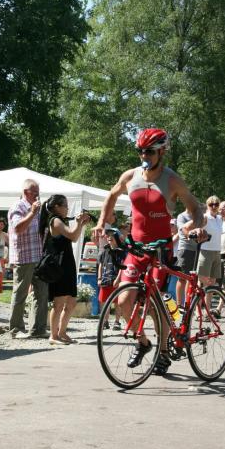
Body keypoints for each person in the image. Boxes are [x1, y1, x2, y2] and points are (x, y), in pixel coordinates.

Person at [92, 128, 206, 376]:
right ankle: (143, 342)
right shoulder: (130, 176)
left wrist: (194, 226)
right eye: (141, 151)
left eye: (150, 151)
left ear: (162, 152)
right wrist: (101, 222)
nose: (144, 155)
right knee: (123, 301)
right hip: (136, 248)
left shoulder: (172, 180)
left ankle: (163, 352)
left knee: (157, 304)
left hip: (160, 249)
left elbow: (196, 208)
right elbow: (112, 195)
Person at [41, 194, 92, 345]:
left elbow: (74, 237)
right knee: (58, 303)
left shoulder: (62, 220)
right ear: (57, 207)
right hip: (59, 265)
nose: (67, 209)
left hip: (67, 263)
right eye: (65, 206)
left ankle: (62, 332)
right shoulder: (55, 220)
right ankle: (53, 335)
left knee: (71, 302)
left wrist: (81, 224)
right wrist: (79, 222)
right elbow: (72, 236)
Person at [7, 179, 49, 339]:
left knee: (42, 293)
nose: (38, 195)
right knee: (20, 293)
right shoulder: (18, 207)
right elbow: (18, 228)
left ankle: (38, 329)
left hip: (38, 255)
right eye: (35, 192)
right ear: (26, 192)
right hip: (24, 256)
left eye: (38, 191)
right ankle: (15, 329)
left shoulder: (38, 208)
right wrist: (32, 213)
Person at [198, 195, 223, 312]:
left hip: (217, 252)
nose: (214, 206)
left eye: (216, 204)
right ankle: (198, 311)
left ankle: (207, 311)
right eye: (211, 204)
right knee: (202, 283)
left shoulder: (219, 218)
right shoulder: (205, 217)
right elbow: (196, 228)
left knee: (212, 284)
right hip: (205, 251)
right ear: (207, 205)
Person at [97, 229, 125, 330]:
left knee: (118, 302)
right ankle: (105, 321)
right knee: (103, 301)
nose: (109, 237)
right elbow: (101, 265)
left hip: (116, 280)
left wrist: (118, 279)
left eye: (112, 235)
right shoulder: (105, 250)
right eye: (108, 235)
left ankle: (117, 322)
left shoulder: (122, 251)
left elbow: (122, 266)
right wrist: (99, 278)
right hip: (105, 279)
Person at [174, 208, 198, 307]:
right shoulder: (181, 216)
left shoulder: (198, 216)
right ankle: (179, 305)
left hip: (197, 250)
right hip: (185, 249)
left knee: (192, 279)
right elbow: (183, 230)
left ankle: (188, 305)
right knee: (182, 278)